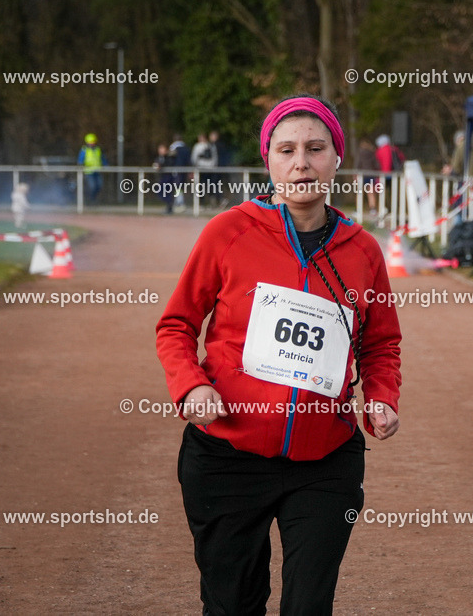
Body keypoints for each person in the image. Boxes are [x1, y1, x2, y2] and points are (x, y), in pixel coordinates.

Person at [156, 94, 402, 615]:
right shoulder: (228, 233)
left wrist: (381, 396)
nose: (301, 162)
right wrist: (191, 384)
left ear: (336, 158)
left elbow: (380, 342)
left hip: (326, 460)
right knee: (232, 607)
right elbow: (176, 325)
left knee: (308, 607)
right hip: (227, 456)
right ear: (268, 161)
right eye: (286, 149)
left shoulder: (363, 251)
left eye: (316, 148)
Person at [77, 133, 106, 204]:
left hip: (97, 171)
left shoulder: (98, 150)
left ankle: (93, 199)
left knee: (99, 185)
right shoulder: (84, 150)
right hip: (89, 172)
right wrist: (80, 166)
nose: (92, 143)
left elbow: (103, 159)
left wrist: (106, 165)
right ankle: (90, 200)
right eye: (91, 142)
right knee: (92, 186)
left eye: (93, 141)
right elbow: (80, 161)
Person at [355, 138, 380, 215]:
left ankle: (358, 209)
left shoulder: (360, 153)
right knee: (371, 193)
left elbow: (358, 164)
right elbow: (377, 165)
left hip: (362, 174)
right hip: (371, 174)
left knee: (359, 192)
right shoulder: (372, 153)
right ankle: (372, 209)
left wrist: (355, 174)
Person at [152, 143, 177, 214]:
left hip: (169, 177)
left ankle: (170, 207)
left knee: (168, 192)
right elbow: (156, 164)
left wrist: (161, 165)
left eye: (162, 149)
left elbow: (170, 163)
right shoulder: (158, 158)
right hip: (162, 177)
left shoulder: (169, 157)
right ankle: (169, 205)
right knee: (160, 191)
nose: (160, 151)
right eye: (159, 149)